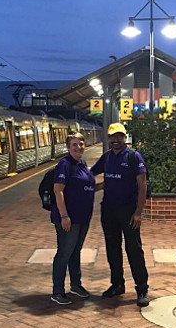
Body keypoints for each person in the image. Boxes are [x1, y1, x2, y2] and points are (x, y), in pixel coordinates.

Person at [90, 122, 150, 307]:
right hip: (109, 210)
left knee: (134, 250)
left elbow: (142, 185)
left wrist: (138, 213)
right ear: (108, 139)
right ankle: (117, 284)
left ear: (125, 138)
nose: (116, 140)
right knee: (112, 249)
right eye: (113, 137)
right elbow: (90, 173)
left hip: (129, 211)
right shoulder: (106, 157)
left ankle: (141, 289)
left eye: (119, 136)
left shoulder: (133, 156)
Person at [49, 132, 95, 305]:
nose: (78, 147)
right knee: (64, 252)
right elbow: (58, 190)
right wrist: (64, 216)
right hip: (69, 218)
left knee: (75, 251)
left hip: (83, 217)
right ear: (68, 147)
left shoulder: (82, 163)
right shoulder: (64, 164)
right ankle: (57, 291)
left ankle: (76, 284)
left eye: (81, 144)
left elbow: (86, 186)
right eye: (74, 145)